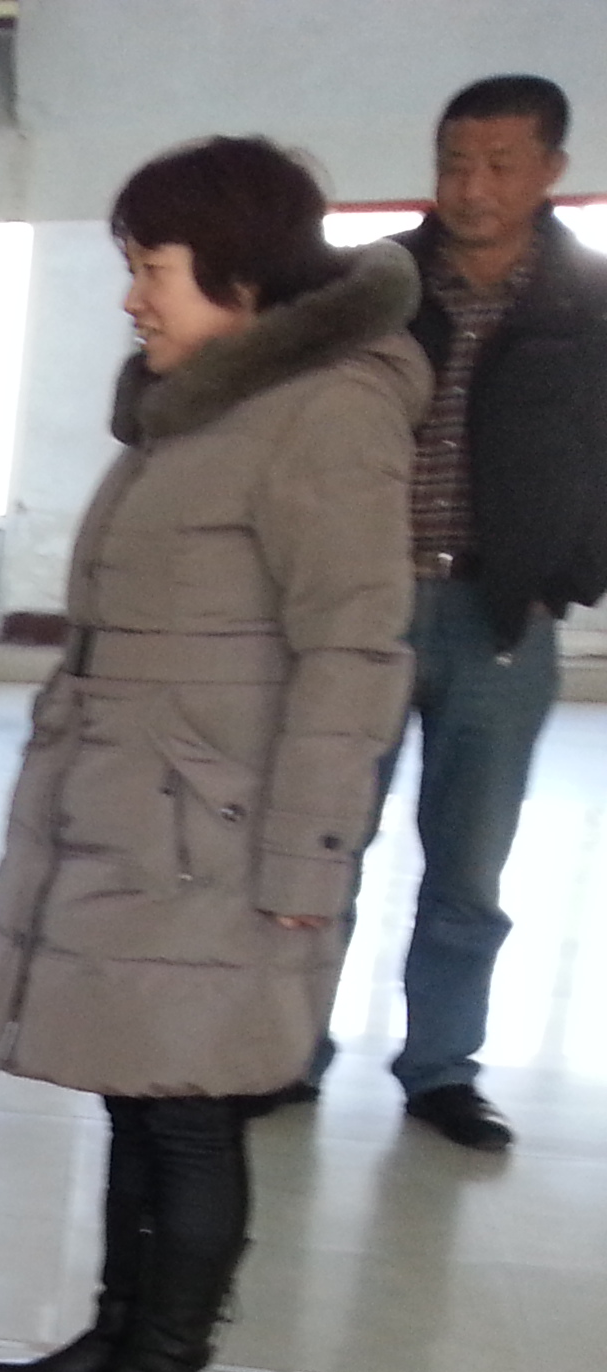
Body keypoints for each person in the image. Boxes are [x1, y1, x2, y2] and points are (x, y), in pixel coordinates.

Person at [0, 139, 428, 1372]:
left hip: (217, 837)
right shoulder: (204, 405)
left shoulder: (325, 413)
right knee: (138, 1088)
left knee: (189, 1109)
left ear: (238, 273)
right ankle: (118, 1335)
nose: (132, 298)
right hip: (143, 817)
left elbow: (353, 652)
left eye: (151, 269)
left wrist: (309, 860)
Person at [286, 76, 605, 1150]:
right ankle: (288, 1049)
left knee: (469, 867)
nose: (472, 187)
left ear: (551, 171)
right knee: (325, 841)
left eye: (500, 165)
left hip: (498, 619)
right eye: (454, 163)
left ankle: (440, 1070)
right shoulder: (372, 285)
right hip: (364, 608)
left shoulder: (589, 303)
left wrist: (568, 572)